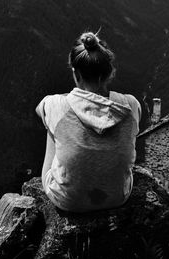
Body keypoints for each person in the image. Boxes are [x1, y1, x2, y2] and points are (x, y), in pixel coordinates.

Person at [35, 32, 141, 213]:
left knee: (53, 123)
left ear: (76, 74)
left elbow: (40, 110)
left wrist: (65, 102)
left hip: (67, 200)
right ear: (109, 73)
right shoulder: (130, 105)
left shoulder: (54, 104)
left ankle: (60, 178)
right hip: (117, 197)